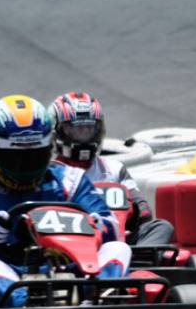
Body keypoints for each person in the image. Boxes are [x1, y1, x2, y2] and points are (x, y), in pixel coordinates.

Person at [0, 94, 128, 307]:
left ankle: (99, 300)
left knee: (118, 249)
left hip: (74, 269)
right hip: (12, 270)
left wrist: (94, 229)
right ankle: (25, 308)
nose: (25, 165)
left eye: (34, 155)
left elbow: (110, 222)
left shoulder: (70, 180)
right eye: (15, 156)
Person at [48, 91, 175, 247]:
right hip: (70, 240)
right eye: (76, 129)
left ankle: (138, 265)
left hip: (115, 236)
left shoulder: (114, 169)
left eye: (89, 129)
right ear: (58, 131)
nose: (84, 135)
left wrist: (136, 210)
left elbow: (142, 208)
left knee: (161, 226)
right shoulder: (51, 173)